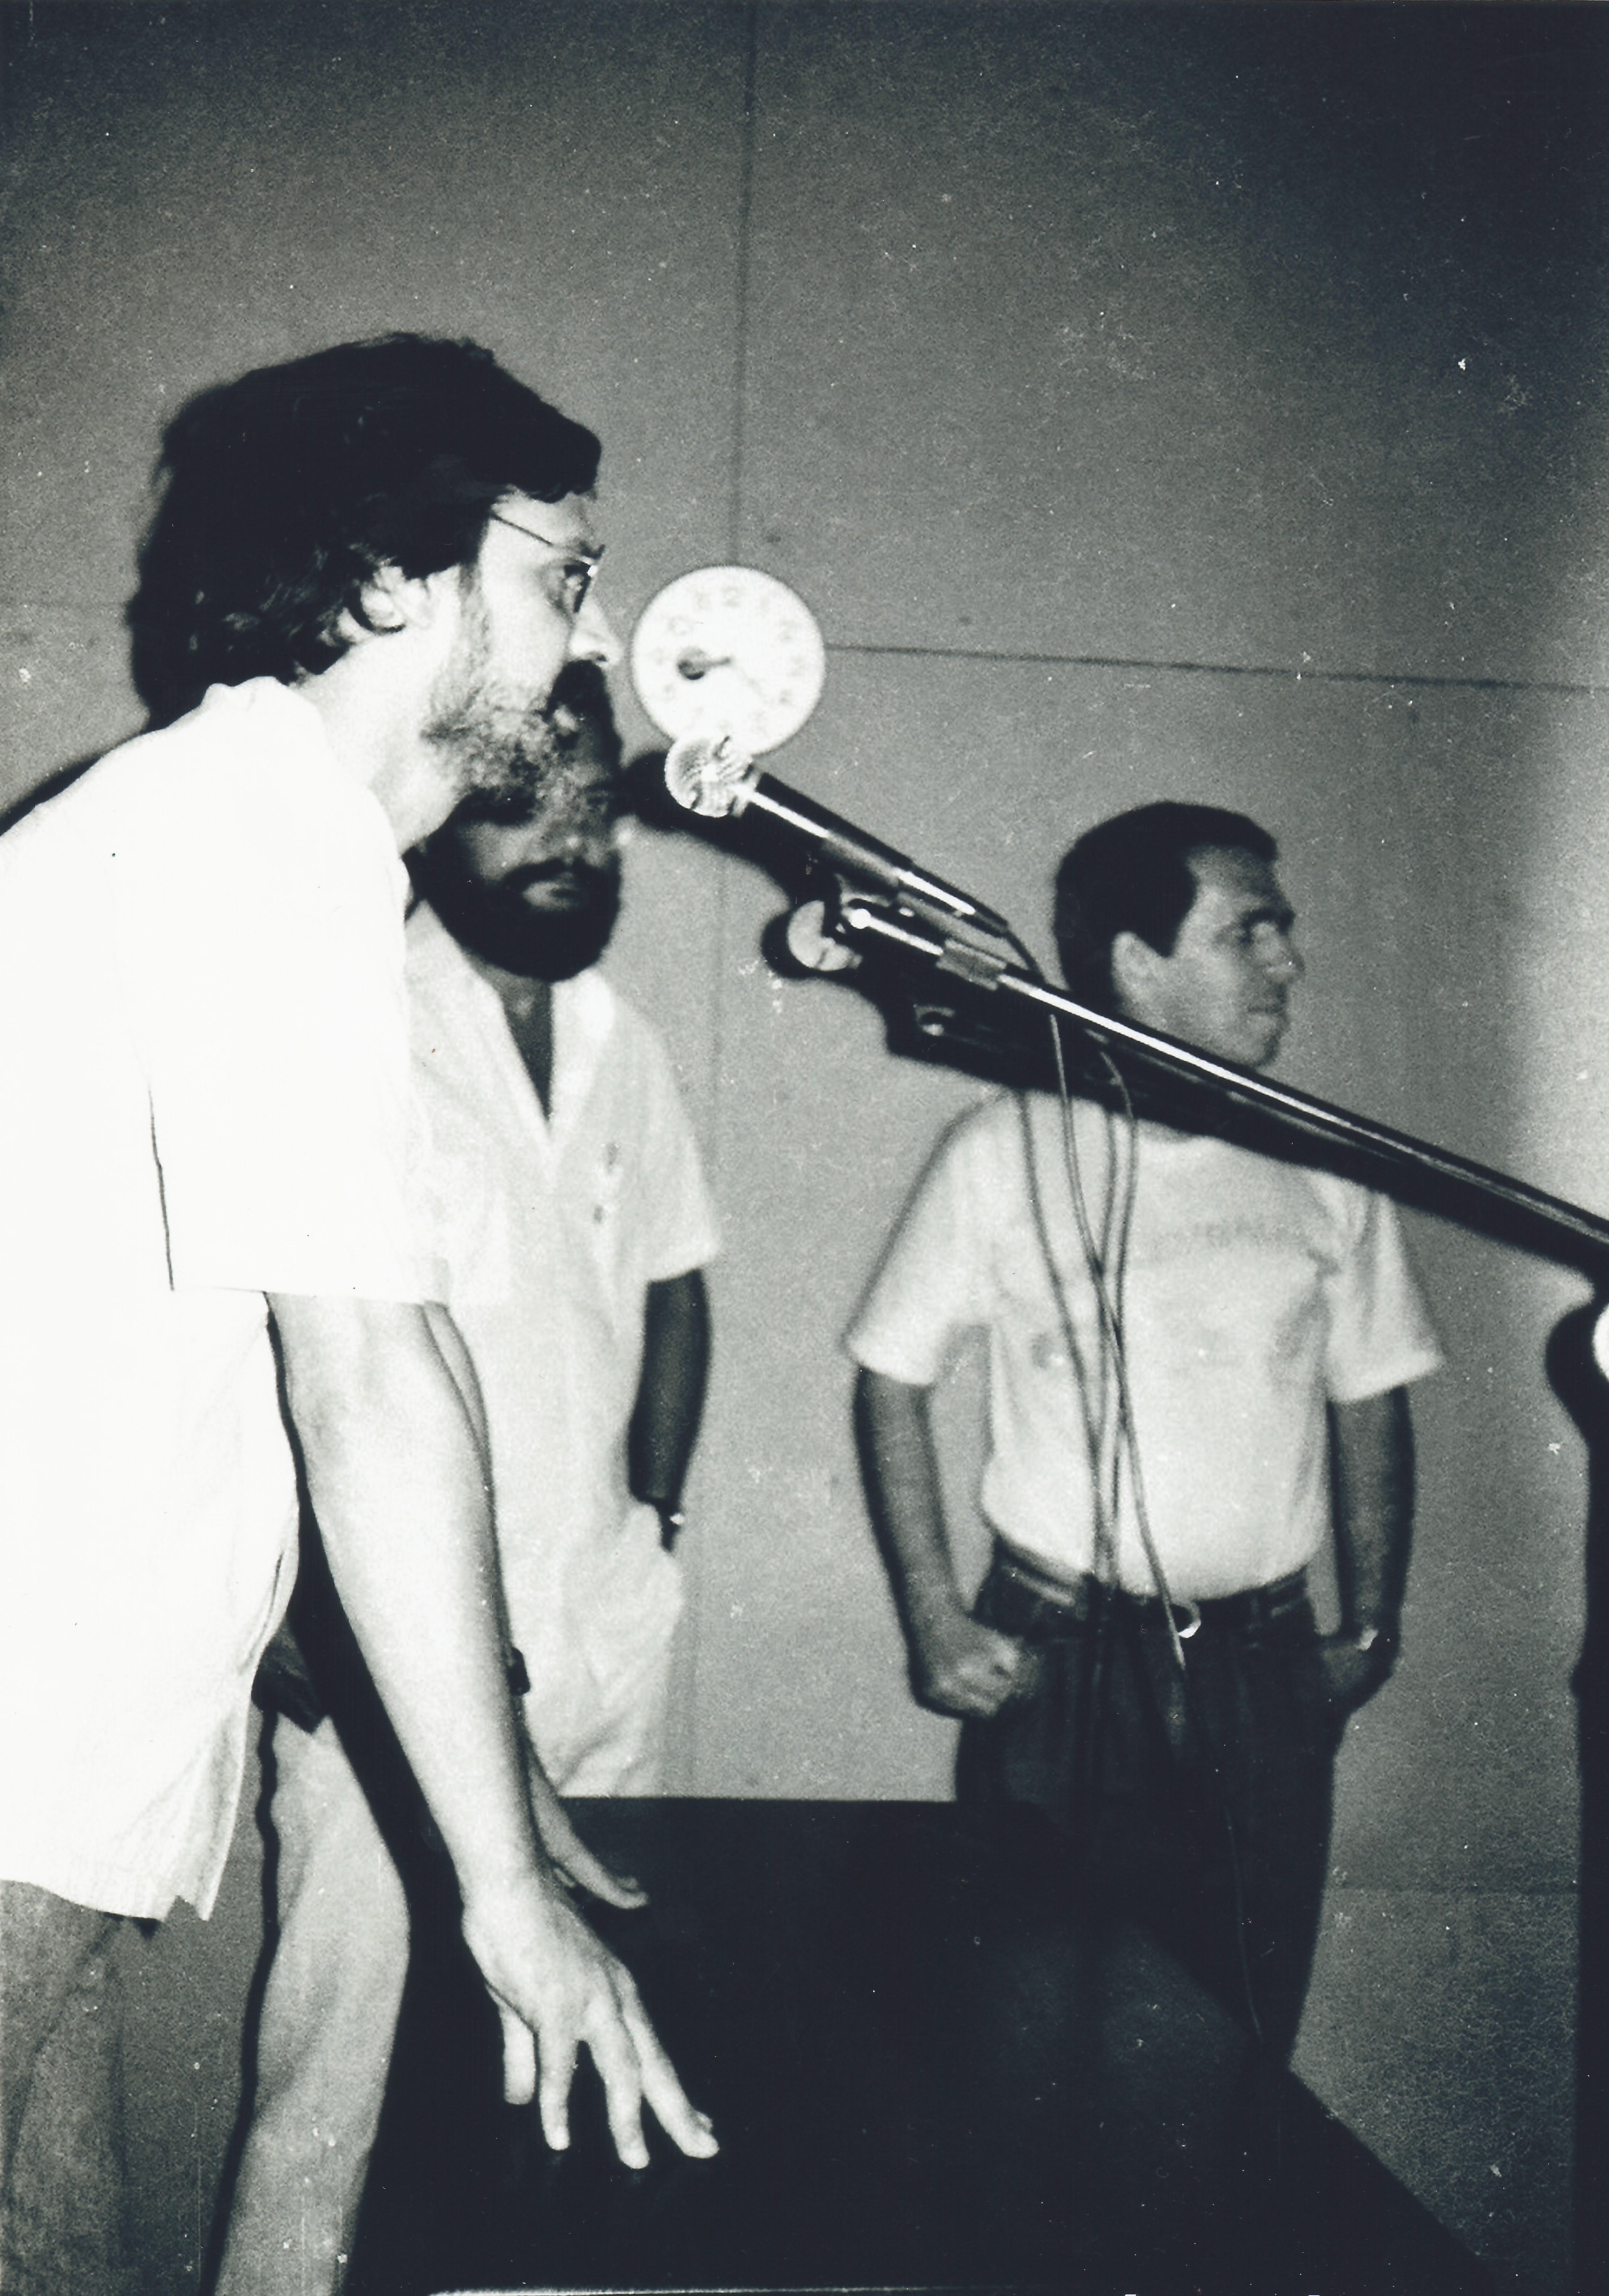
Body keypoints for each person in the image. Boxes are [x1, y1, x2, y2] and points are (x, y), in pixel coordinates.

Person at [0, 335, 715, 2296]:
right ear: (396, 578)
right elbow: (366, 1378)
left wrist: (495, 1759)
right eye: (567, 573)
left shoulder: (275, 843)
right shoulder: (252, 838)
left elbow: (395, 1356)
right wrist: (501, 1895)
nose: (596, 637)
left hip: (57, 1763)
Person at [214, 659, 718, 2292]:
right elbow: (281, 1354)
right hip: (397, 1669)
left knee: (567, 2082)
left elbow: (674, 1284)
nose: (572, 838)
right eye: (525, 801)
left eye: (598, 808)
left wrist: (656, 1517)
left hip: (601, 1639)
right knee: (340, 2089)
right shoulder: (352, 1010)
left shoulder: (625, 1041)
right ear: (441, 814)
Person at [847, 801, 1442, 2056]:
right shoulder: (1002, 1150)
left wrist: (1370, 1627)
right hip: (1059, 1659)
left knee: (1236, 2049)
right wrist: (934, 1618)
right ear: (1136, 963)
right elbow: (892, 1380)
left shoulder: (1325, 1163)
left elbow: (1371, 1396)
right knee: (1032, 2043)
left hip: (1262, 1673)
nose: (1287, 962)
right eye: (1247, 933)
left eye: (1281, 932)